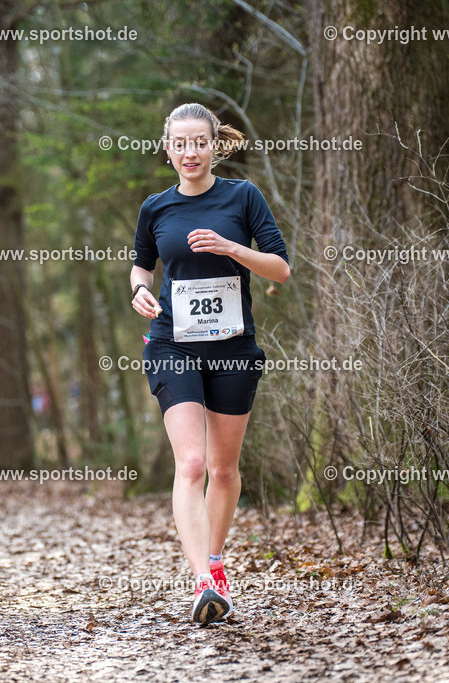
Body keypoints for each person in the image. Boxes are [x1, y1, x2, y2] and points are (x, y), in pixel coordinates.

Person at [130, 103, 290, 625]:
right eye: (181, 143)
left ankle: (216, 562)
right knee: (192, 464)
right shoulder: (156, 207)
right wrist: (139, 293)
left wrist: (230, 247)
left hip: (233, 348)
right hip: (173, 343)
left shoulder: (242, 197)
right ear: (168, 148)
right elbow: (142, 268)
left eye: (200, 142)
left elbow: (281, 269)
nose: (190, 152)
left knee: (222, 468)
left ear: (215, 145)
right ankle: (202, 580)